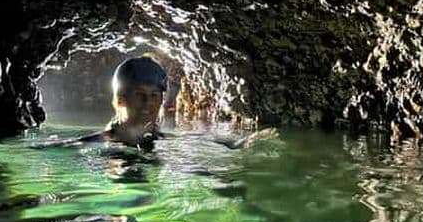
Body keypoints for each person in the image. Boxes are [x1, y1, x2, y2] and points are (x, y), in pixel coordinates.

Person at [37, 55, 275, 151]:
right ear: (121, 100)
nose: (148, 104)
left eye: (155, 96)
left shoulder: (164, 141)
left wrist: (241, 144)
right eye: (139, 95)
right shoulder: (99, 142)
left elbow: (204, 142)